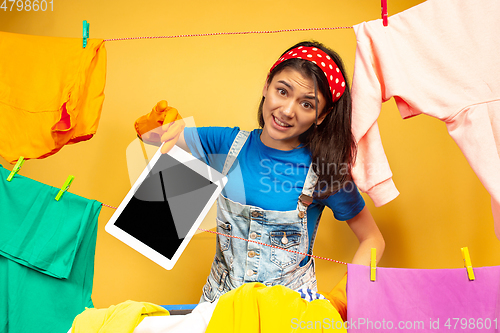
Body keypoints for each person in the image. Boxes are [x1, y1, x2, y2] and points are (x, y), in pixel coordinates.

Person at [135, 41, 385, 313]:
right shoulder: (225, 144)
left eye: (306, 104)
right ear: (267, 86)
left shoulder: (325, 170)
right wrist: (158, 125)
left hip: (289, 318)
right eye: (282, 91)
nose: (288, 110)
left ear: (322, 115)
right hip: (218, 311)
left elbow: (373, 240)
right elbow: (155, 138)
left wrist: (343, 299)